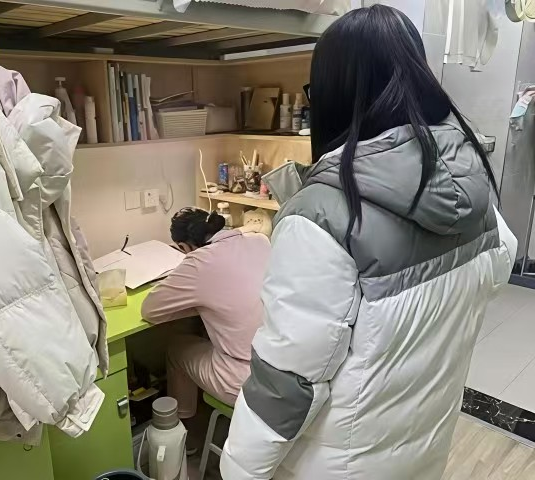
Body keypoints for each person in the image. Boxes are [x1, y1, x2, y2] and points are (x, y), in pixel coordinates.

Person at [220, 5, 517, 480]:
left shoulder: (322, 216)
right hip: (426, 446)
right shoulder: (469, 177)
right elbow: (501, 265)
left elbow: (288, 382)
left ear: (333, 94)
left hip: (338, 466)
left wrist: (238, 470)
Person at [141, 207, 270, 421]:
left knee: (176, 348)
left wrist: (198, 302)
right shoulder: (260, 241)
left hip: (245, 380)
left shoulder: (199, 261)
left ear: (184, 247)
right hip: (282, 368)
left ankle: (181, 423)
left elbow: (150, 311)